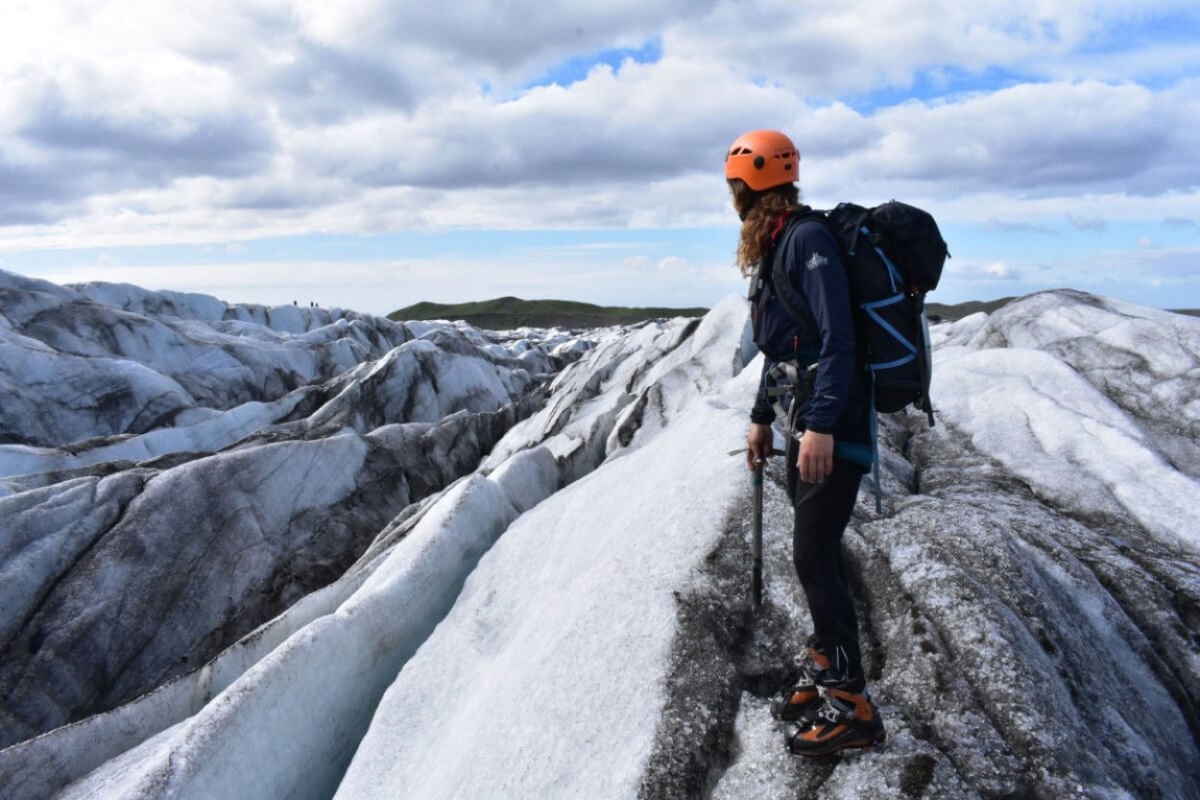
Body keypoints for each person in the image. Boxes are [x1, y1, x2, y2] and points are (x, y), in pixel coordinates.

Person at [726, 129, 885, 756]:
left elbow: (838, 338)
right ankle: (826, 667)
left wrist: (820, 425)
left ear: (751, 186)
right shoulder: (778, 243)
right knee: (814, 552)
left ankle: (853, 706)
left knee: (814, 556)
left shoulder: (808, 241)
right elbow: (785, 344)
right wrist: (763, 416)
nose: (732, 198)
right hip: (803, 416)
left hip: (830, 420)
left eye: (735, 187)